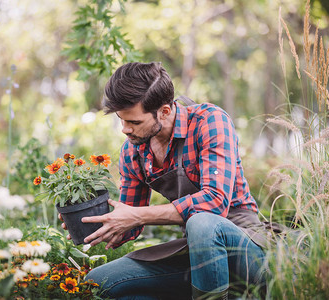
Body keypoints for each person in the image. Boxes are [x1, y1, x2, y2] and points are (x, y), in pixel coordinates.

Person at [60, 62, 274, 300]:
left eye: (134, 122)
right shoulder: (134, 151)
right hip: (197, 253)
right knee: (99, 283)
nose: (125, 130)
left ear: (164, 111)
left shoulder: (209, 121)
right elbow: (130, 222)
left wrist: (136, 215)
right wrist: (96, 223)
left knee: (202, 223)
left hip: (245, 249)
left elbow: (215, 203)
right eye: (122, 120)